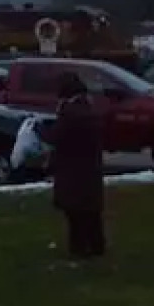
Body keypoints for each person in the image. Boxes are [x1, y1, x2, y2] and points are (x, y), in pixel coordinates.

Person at [35, 73, 106, 259]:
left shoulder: (70, 113)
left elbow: (56, 137)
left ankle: (79, 248)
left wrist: (40, 130)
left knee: (75, 213)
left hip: (72, 170)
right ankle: (96, 246)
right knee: (91, 212)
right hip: (90, 168)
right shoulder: (88, 109)